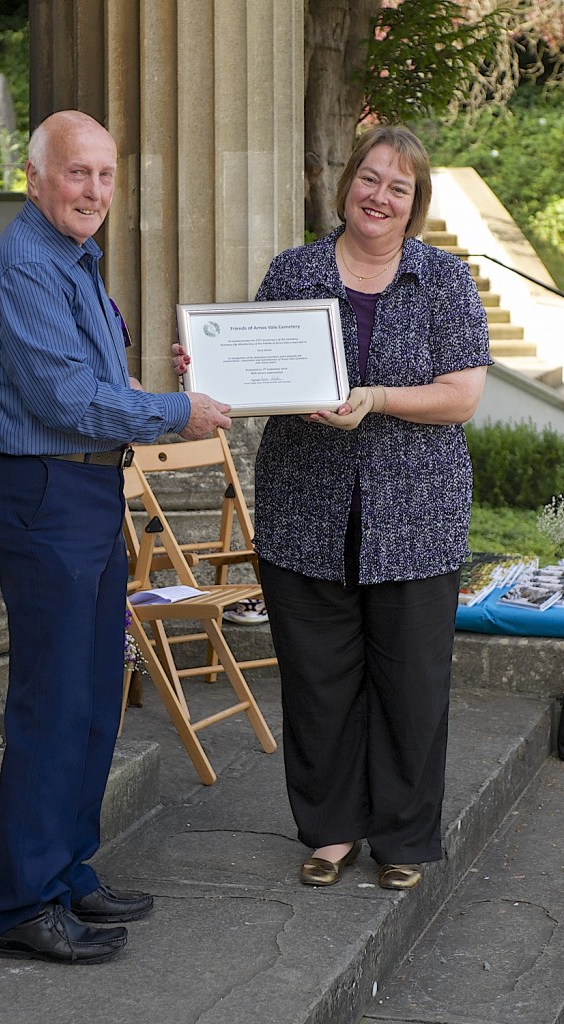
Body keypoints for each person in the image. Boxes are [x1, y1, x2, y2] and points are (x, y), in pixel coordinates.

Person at [173, 124, 491, 892]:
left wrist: (376, 398)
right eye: (369, 178)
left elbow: (461, 396)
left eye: (398, 187)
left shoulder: (443, 281)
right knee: (317, 682)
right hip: (306, 509)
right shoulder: (295, 271)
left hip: (415, 516)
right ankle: (330, 830)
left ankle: (403, 836)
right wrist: (208, 366)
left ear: (412, 206)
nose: (378, 196)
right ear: (346, 182)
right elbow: (250, 374)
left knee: (411, 684)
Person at [0, 110, 231, 964]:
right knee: (52, 705)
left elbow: (96, 383)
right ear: (36, 176)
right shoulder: (22, 266)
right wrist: (173, 412)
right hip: (40, 491)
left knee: (89, 694)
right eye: (77, 173)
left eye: (105, 176)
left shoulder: (74, 261)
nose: (93, 191)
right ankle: (20, 906)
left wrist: (164, 387)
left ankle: (68, 871)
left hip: (80, 489)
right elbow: (63, 402)